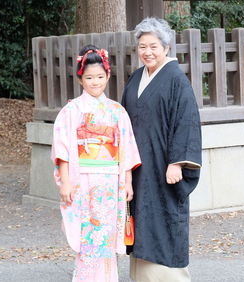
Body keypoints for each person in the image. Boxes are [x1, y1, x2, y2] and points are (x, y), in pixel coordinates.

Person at [51, 44, 141, 282]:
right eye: (89, 77)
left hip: (111, 181)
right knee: (88, 235)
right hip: (83, 181)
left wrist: (128, 182)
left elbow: (127, 150)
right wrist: (66, 182)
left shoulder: (117, 111)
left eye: (100, 77)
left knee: (108, 235)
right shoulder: (72, 110)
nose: (95, 82)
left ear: (108, 76)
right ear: (81, 79)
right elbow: (63, 150)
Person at [121, 18, 202, 282]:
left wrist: (177, 162)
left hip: (163, 166)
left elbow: (186, 121)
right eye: (142, 46)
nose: (147, 52)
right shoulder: (136, 77)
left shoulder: (176, 80)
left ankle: (172, 277)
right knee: (141, 219)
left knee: (164, 218)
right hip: (139, 166)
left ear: (166, 47)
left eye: (153, 46)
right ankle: (143, 276)